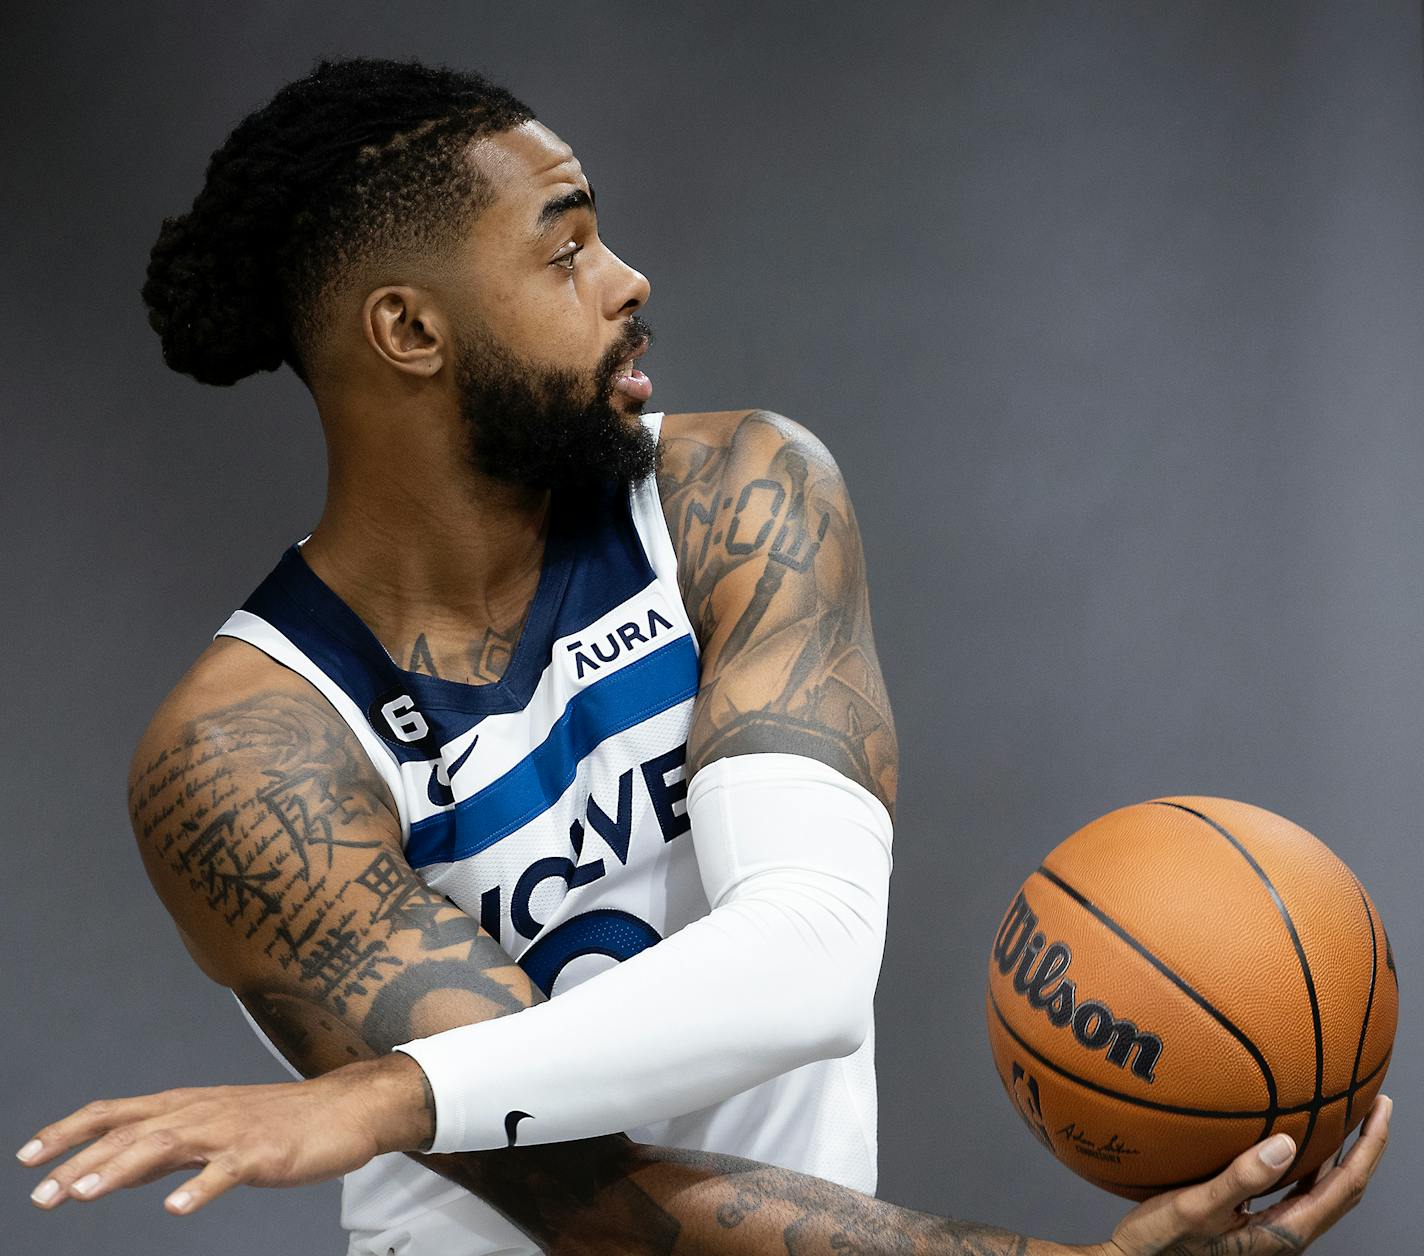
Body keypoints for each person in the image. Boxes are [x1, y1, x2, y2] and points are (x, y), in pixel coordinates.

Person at [18, 56, 1387, 1256]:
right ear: (412, 331)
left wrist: (380, 1094)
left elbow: (809, 961)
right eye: (566, 252)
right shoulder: (242, 755)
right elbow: (595, 1204)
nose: (628, 280)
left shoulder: (737, 497)